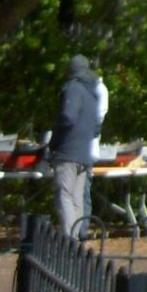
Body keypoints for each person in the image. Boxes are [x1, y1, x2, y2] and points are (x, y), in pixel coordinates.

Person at [45, 55, 102, 238]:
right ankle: (76, 239)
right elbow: (96, 127)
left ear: (71, 70)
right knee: (77, 198)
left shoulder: (73, 88)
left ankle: (69, 240)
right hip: (85, 154)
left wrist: (54, 143)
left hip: (68, 152)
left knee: (65, 195)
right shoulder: (92, 92)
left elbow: (67, 117)